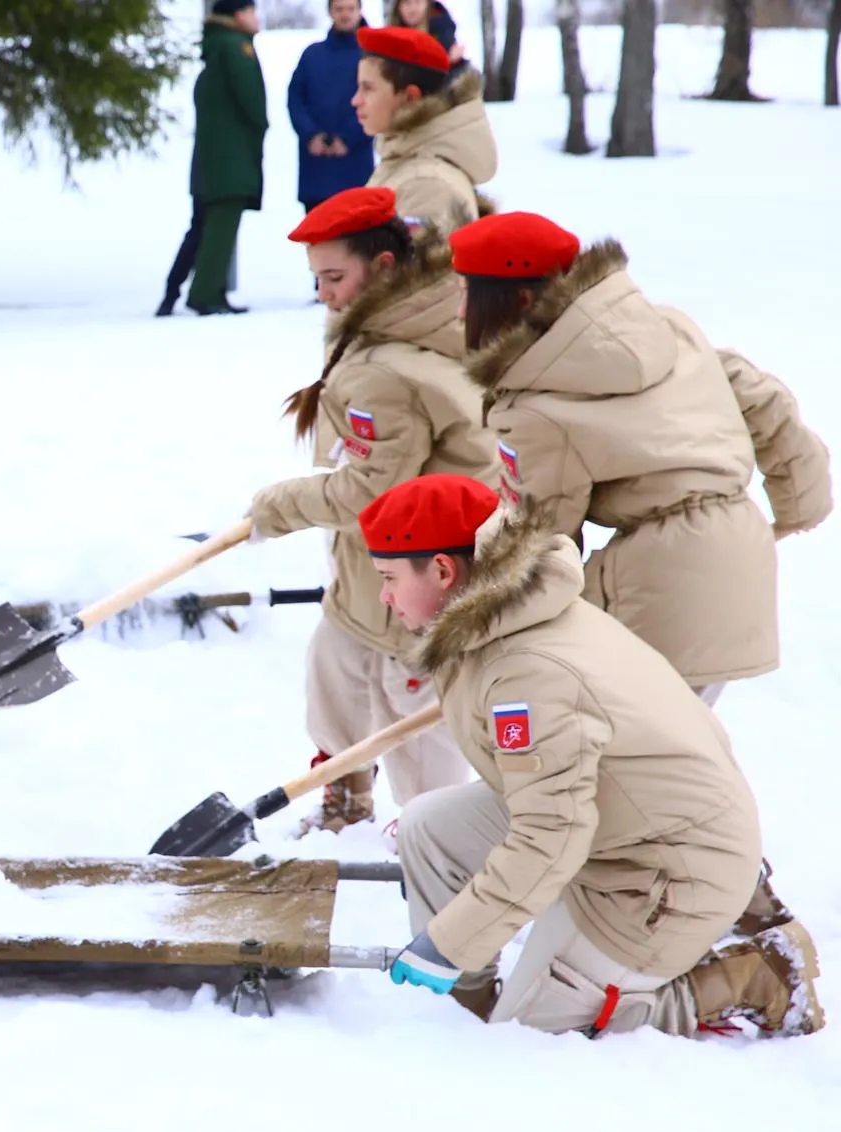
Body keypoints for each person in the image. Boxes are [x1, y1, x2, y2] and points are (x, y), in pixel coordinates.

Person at [365, 475, 822, 1038]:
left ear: (442, 570)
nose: (383, 596)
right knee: (429, 827)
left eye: (389, 578)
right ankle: (469, 1010)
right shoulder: (504, 613)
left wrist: (448, 939)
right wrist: (456, 951)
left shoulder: (526, 669)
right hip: (613, 825)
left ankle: (753, 976)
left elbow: (550, 833)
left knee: (536, 1035)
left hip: (665, 871)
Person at [450, 211, 833, 705]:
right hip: (739, 553)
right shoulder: (665, 328)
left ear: (518, 299)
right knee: (682, 758)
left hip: (661, 589)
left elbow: (537, 536)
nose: (459, 314)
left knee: (640, 768)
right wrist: (801, 501)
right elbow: (761, 398)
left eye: (465, 294)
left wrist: (479, 624)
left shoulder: (536, 407)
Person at [246, 187, 495, 834]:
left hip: (418, 570)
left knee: (416, 728)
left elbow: (370, 492)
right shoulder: (418, 312)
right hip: (375, 568)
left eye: (334, 277)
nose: (323, 293)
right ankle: (345, 794)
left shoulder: (386, 366)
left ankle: (435, 841)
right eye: (317, 279)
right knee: (336, 673)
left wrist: (282, 506)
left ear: (383, 267)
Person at [158, 0, 267, 317]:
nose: (255, 17)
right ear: (237, 15)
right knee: (221, 225)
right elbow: (251, 100)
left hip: (210, 158)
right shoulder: (236, 48)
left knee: (203, 225)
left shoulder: (216, 47)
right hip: (230, 158)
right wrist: (260, 127)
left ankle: (178, 291)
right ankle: (205, 293)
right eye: (250, 11)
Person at [352, 27, 494, 233]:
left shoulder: (426, 185)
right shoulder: (405, 160)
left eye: (368, 88)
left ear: (410, 98)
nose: (356, 100)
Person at [286, 0, 373, 215]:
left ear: (359, 11)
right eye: (339, 9)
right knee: (319, 241)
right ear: (330, 12)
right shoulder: (312, 55)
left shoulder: (370, 57)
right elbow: (295, 99)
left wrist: (348, 139)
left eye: (350, 9)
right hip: (317, 169)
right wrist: (311, 135)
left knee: (358, 241)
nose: (345, 15)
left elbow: (376, 101)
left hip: (356, 167)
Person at [387, 0, 467, 69]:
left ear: (427, 4)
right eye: (406, 2)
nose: (412, 9)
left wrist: (450, 62)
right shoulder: (391, 38)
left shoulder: (442, 33)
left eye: (417, 2)